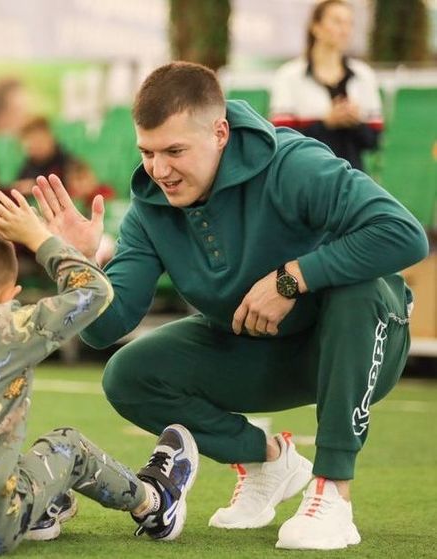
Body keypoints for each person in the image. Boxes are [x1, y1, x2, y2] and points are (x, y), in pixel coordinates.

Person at [30, 61, 428, 551]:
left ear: (220, 132)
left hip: (361, 343)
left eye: (175, 151)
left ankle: (332, 492)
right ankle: (269, 460)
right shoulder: (149, 209)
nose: (159, 170)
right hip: (264, 353)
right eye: (147, 152)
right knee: (127, 374)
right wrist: (78, 264)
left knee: (360, 288)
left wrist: (291, 280)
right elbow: (103, 330)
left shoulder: (293, 163)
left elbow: (404, 236)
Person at [0, 195, 199, 554]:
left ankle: (42, 513)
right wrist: (40, 239)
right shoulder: (10, 326)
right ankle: (155, 503)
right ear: (9, 296)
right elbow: (96, 291)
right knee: (68, 445)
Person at [269, 0, 382, 171]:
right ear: (316, 27)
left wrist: (356, 122)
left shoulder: (364, 76)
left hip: (352, 181)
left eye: (349, 23)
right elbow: (281, 140)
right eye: (337, 21)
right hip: (304, 179)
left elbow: (373, 141)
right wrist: (326, 123)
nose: (345, 30)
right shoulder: (289, 77)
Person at [12, 117, 71, 195]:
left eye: (39, 141)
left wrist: (36, 186)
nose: (36, 146)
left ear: (51, 138)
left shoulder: (67, 164)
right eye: (31, 143)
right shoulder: (27, 167)